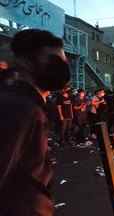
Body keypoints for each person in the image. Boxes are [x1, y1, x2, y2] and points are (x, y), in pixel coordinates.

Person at [0, 29, 70, 216]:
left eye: (64, 61)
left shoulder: (29, 105)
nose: (63, 67)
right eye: (55, 61)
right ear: (25, 62)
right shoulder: (20, 108)